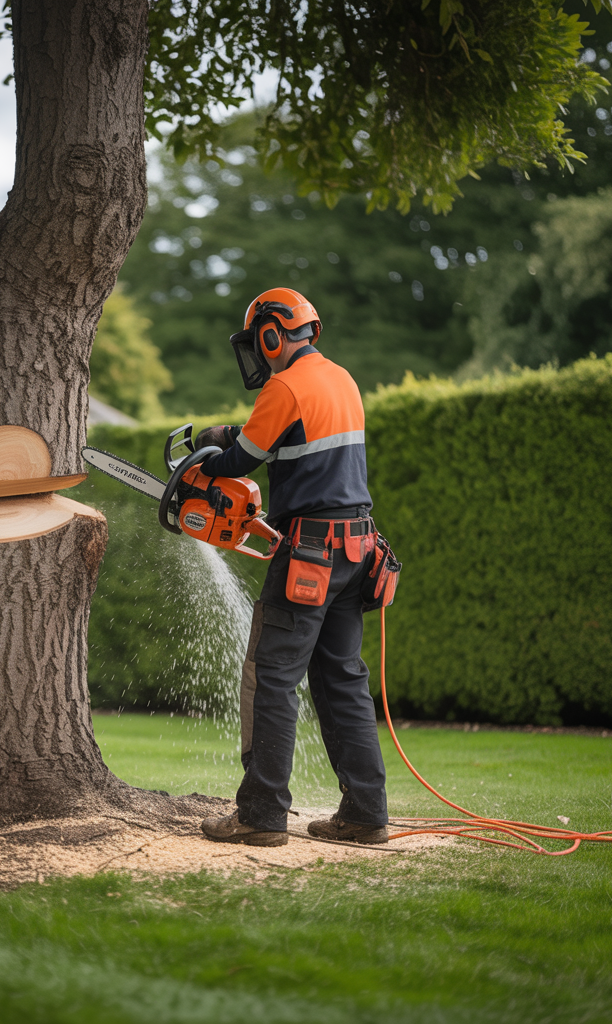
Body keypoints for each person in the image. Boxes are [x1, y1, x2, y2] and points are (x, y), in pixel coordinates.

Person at [196, 287, 388, 848]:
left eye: (262, 340)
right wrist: (233, 433)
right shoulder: (340, 379)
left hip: (309, 552)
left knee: (272, 679)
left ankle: (260, 815)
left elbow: (239, 463)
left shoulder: (283, 385)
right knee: (343, 680)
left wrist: (212, 452)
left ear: (274, 334)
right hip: (357, 547)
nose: (260, 352)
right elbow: (292, 441)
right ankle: (365, 814)